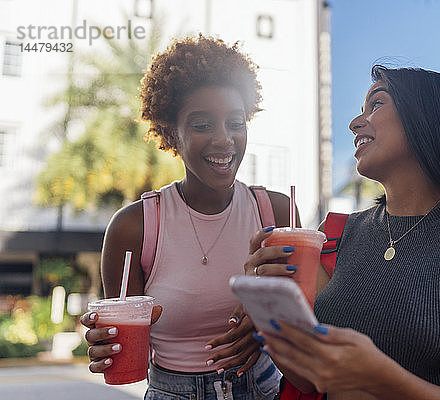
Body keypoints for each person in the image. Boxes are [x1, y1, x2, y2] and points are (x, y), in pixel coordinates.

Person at [246, 67, 440, 399]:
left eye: (377, 104)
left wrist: (379, 375)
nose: (355, 123)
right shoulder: (335, 233)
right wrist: (266, 307)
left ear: (429, 120)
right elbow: (312, 381)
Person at [80, 34, 299, 400]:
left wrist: (266, 326)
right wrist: (106, 343)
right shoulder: (134, 227)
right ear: (171, 132)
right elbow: (121, 336)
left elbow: (305, 315)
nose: (224, 139)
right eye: (201, 125)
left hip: (264, 388)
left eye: (235, 122)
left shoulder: (275, 213)